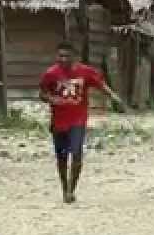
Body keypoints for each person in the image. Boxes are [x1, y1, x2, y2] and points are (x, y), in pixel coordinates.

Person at [38, 42, 127, 204]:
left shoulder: (85, 72)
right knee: (61, 157)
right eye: (60, 56)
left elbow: (101, 85)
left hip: (77, 119)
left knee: (77, 154)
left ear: (74, 57)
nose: (63, 59)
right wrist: (52, 99)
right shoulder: (50, 74)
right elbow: (42, 93)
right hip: (58, 121)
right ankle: (64, 188)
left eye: (66, 56)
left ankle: (72, 189)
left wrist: (114, 97)